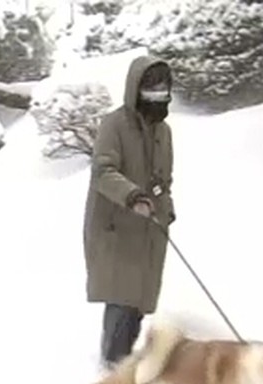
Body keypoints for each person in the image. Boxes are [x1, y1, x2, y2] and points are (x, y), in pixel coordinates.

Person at [83, 54, 177, 367]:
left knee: (139, 300)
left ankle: (123, 361)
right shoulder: (115, 124)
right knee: (121, 297)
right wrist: (133, 195)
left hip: (150, 228)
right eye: (151, 89)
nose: (157, 95)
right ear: (135, 88)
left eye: (162, 89)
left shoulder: (164, 133)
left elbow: (164, 180)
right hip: (117, 226)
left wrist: (168, 207)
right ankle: (111, 365)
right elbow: (103, 172)